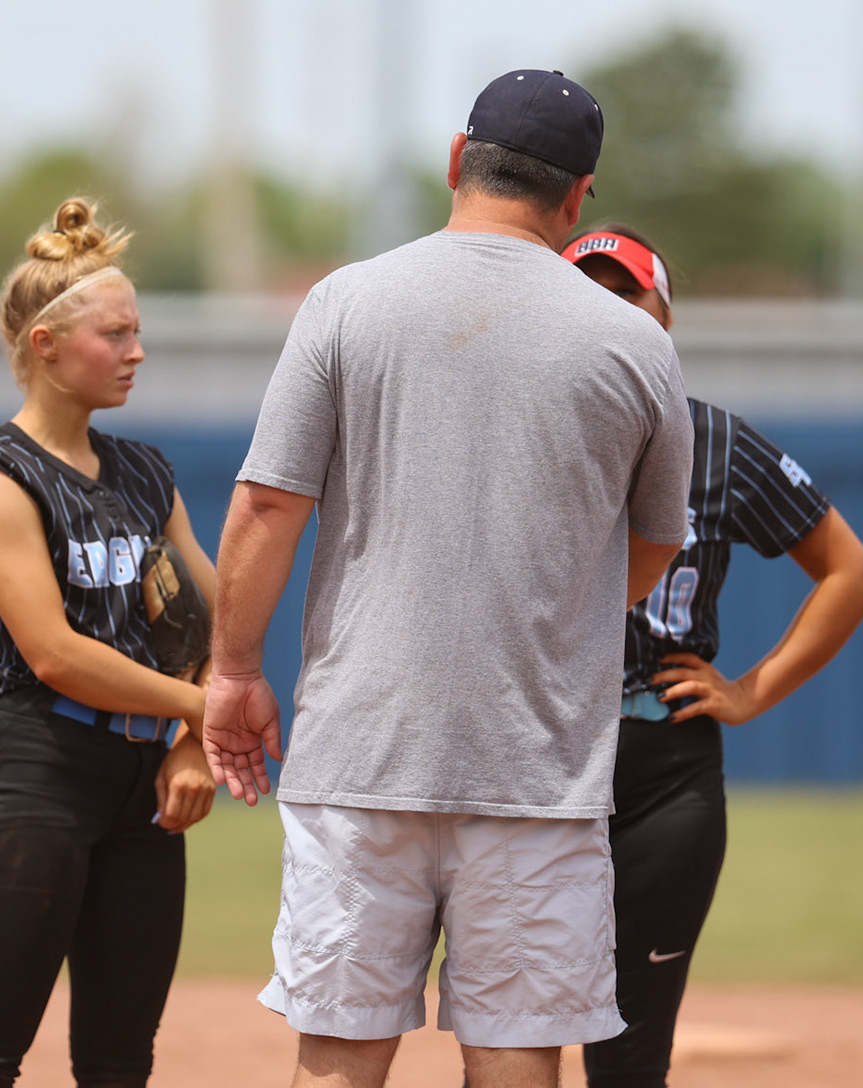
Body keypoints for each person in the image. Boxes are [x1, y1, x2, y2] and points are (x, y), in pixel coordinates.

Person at [203, 70, 695, 1088]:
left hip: (361, 750)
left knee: (338, 1055)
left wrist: (232, 671)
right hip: (537, 771)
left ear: (456, 161)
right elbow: (652, 547)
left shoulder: (345, 300)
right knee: (514, 1056)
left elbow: (264, 507)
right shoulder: (637, 344)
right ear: (577, 195)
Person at [560, 225, 863, 1088]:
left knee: (630, 1050)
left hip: (664, 761)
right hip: (542, 757)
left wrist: (751, 690)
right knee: (511, 1028)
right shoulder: (518, 437)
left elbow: (851, 574)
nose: (607, 313)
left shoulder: (717, 442)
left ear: (666, 317)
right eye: (583, 293)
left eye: (627, 295)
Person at [0, 198, 218, 1088]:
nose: (137, 352)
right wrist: (199, 706)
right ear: (45, 345)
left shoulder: (143, 471)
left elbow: (210, 619)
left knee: (118, 1063)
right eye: (116, 334)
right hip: (36, 772)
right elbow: (54, 654)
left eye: (138, 332)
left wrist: (194, 743)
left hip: (143, 793)